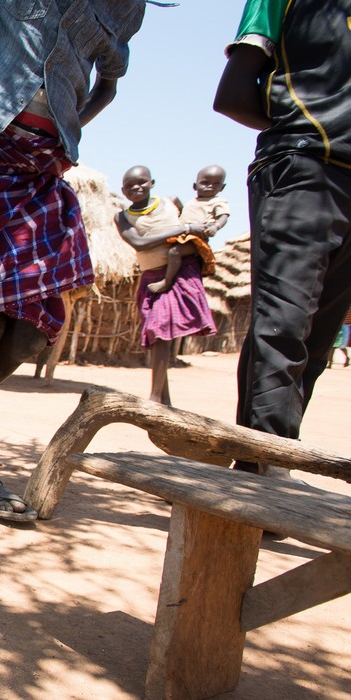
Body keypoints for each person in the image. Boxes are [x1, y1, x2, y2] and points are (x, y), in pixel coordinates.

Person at [0, 0, 146, 520]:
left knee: (28, 335)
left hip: (44, 170)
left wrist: (69, 124)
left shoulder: (123, 9)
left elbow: (108, 83)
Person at [214, 0, 351, 480]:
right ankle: (268, 475)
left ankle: (258, 464)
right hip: (301, 167)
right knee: (284, 328)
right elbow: (232, 95)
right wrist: (303, 130)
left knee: (314, 337)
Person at [115, 165, 217, 405]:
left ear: (152, 183)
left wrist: (192, 232)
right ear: (123, 191)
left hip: (178, 271)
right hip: (151, 277)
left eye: (141, 182)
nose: (136, 187)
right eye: (129, 186)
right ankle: (165, 399)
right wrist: (183, 228)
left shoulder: (171, 203)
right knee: (157, 333)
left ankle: (154, 397)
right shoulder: (122, 217)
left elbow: (200, 228)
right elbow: (139, 243)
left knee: (160, 330)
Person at [148, 165, 229, 294]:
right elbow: (182, 212)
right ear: (194, 186)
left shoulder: (217, 201)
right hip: (183, 235)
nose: (210, 186)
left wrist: (216, 226)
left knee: (174, 252)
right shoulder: (193, 202)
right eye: (205, 182)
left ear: (222, 187)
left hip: (197, 241)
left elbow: (223, 216)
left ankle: (167, 281)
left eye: (216, 184)